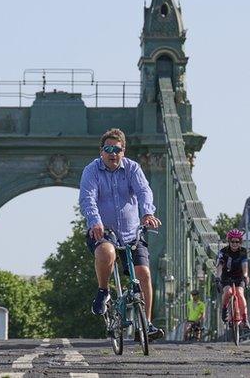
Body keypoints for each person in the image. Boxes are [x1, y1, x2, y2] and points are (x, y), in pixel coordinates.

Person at [79, 128, 164, 341]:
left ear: (123, 151)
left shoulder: (133, 169)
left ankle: (147, 325)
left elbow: (144, 191)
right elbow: (87, 198)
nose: (113, 153)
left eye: (117, 149)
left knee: (143, 273)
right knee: (107, 252)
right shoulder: (91, 171)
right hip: (104, 231)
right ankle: (103, 291)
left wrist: (147, 213)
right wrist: (94, 221)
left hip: (131, 233)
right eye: (108, 149)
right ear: (101, 151)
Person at [216, 229, 250, 328]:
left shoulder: (243, 251)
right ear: (229, 241)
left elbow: (244, 264)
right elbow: (220, 266)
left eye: (237, 241)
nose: (235, 244)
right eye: (232, 241)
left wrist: (245, 275)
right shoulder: (223, 252)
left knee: (239, 293)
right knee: (228, 292)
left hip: (239, 276)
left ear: (240, 242)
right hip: (227, 275)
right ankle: (224, 308)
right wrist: (218, 278)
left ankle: (245, 319)